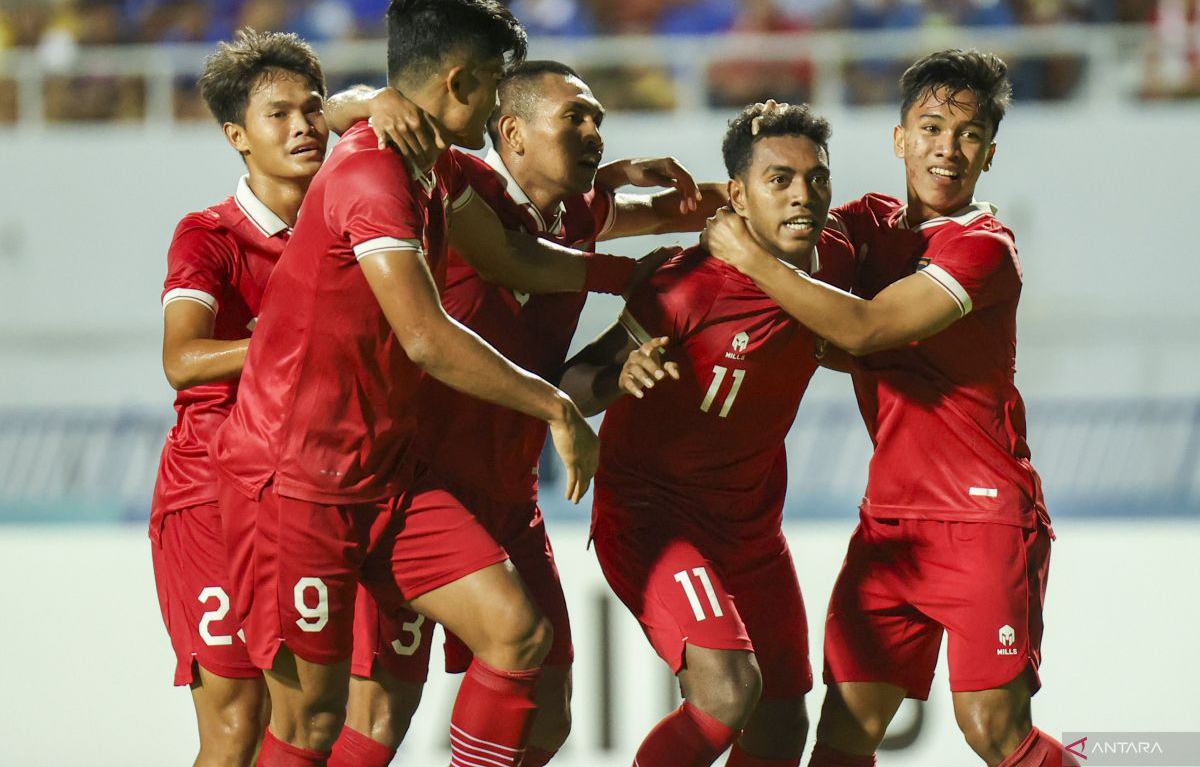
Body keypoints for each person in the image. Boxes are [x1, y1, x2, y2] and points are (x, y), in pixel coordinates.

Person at [207, 0, 603, 767]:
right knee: (312, 720)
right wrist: (556, 406)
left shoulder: (435, 168)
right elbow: (425, 337)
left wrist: (637, 269)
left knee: (516, 635)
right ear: (460, 82)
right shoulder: (368, 176)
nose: (497, 109)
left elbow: (513, 248)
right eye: (491, 85)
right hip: (297, 482)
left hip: (385, 476)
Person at [326, 59, 728, 767]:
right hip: (417, 487)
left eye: (598, 117)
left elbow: (688, 209)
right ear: (511, 132)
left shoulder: (578, 213)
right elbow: (335, 110)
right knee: (382, 711)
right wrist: (373, 100)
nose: (595, 130)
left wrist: (789, 199)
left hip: (510, 494)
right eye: (575, 116)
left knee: (548, 715)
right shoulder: (451, 186)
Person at [701, 50, 1079, 767]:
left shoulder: (984, 248)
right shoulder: (867, 224)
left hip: (982, 519)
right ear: (899, 138)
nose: (947, 147)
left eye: (968, 135)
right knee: (841, 739)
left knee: (994, 734)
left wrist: (754, 264)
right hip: (890, 525)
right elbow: (784, 217)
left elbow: (863, 328)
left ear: (989, 155)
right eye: (931, 127)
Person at [559, 103, 856, 767]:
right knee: (727, 693)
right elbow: (573, 382)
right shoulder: (687, 284)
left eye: (817, 179)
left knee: (781, 722)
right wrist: (617, 378)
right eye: (780, 180)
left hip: (751, 529)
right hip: (654, 521)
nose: (802, 196)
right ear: (739, 196)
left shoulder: (835, 261)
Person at [149, 28, 329, 767]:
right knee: (237, 726)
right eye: (278, 114)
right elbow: (182, 359)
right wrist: (293, 341)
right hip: (211, 494)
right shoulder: (209, 235)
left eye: (313, 109)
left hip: (312, 493)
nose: (302, 127)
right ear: (237, 137)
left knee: (313, 716)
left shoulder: (350, 225)